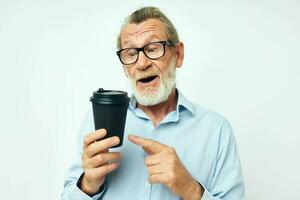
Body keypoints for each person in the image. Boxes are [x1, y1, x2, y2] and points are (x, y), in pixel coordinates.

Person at [62, 6, 245, 200]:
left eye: (152, 49)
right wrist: (88, 185)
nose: (141, 64)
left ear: (178, 54)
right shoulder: (98, 121)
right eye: (131, 53)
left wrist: (190, 189)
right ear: (124, 66)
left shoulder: (216, 129)